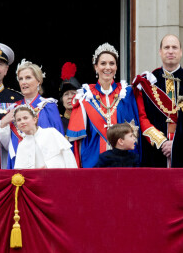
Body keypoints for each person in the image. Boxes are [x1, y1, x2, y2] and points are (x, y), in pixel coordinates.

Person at [67, 43, 141, 168]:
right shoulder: (85, 95)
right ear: (95, 67)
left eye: (112, 63)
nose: (108, 67)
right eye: (103, 63)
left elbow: (135, 128)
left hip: (123, 160)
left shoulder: (126, 93)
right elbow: (77, 141)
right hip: (93, 157)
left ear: (116, 67)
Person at [0, 59, 65, 169]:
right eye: (21, 79)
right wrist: (3, 123)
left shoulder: (48, 106)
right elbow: (7, 145)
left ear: (38, 81)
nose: (23, 82)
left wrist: (51, 164)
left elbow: (58, 139)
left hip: (44, 164)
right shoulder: (14, 109)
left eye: (28, 78)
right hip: (19, 163)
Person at [132, 34, 183, 167]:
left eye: (174, 47)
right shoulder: (148, 82)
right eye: (166, 47)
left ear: (181, 52)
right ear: (160, 52)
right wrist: (162, 142)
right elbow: (142, 118)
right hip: (155, 152)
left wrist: (177, 143)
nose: (170, 51)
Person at [59, 62, 81, 134]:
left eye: (73, 93)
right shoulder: (58, 122)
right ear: (62, 100)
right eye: (66, 94)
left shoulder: (86, 120)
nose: (70, 97)